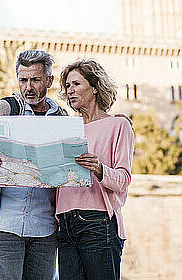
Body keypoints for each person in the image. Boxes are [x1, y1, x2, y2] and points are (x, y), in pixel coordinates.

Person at [0, 50, 67, 280]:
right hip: (3, 227)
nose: (28, 87)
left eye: (35, 80)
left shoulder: (63, 119)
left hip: (45, 230)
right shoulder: (4, 110)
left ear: (49, 80)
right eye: (23, 80)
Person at [56, 59, 135, 280]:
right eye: (67, 86)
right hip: (64, 224)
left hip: (98, 223)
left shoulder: (119, 125)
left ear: (95, 87)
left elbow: (123, 179)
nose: (70, 91)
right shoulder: (66, 129)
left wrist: (100, 169)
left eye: (76, 84)